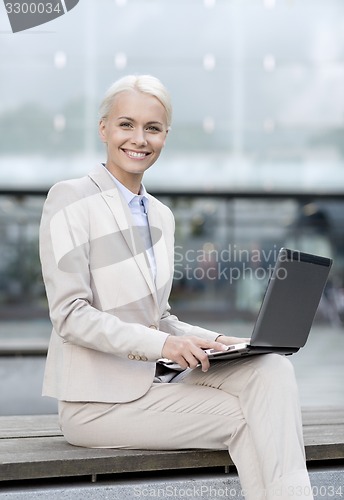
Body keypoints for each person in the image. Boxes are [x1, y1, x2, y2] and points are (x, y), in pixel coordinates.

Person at [39, 74, 314, 500]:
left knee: (272, 368)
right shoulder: (70, 199)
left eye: (153, 128)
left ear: (165, 135)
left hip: (155, 387)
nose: (139, 139)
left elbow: (160, 318)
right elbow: (71, 315)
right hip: (97, 405)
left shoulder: (161, 217)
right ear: (104, 129)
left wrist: (220, 341)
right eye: (126, 124)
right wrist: (163, 347)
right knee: (250, 418)